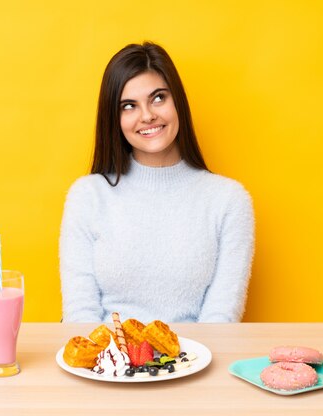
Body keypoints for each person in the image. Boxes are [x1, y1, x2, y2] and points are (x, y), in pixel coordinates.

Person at [59, 42, 254, 323]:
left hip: (198, 362)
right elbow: (80, 316)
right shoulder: (88, 196)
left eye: (158, 98)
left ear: (178, 102)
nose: (147, 115)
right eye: (129, 106)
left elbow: (220, 320)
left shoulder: (228, 201)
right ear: (114, 119)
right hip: (107, 363)